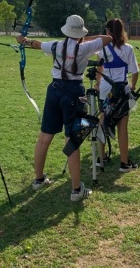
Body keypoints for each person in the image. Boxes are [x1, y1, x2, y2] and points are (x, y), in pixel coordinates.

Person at [16, 15, 112, 202]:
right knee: (72, 139)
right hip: (73, 93)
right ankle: (76, 190)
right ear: (81, 33)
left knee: (45, 137)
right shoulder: (85, 47)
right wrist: (86, 38)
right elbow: (108, 39)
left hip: (54, 90)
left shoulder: (56, 45)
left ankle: (38, 179)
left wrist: (23, 40)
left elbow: (35, 44)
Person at [96, 18, 140, 172]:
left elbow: (99, 69)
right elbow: (135, 71)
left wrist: (97, 84)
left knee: (102, 122)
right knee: (122, 127)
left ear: (108, 31)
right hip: (121, 90)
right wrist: (132, 87)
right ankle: (124, 162)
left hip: (105, 90)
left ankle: (100, 159)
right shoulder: (127, 48)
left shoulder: (103, 48)